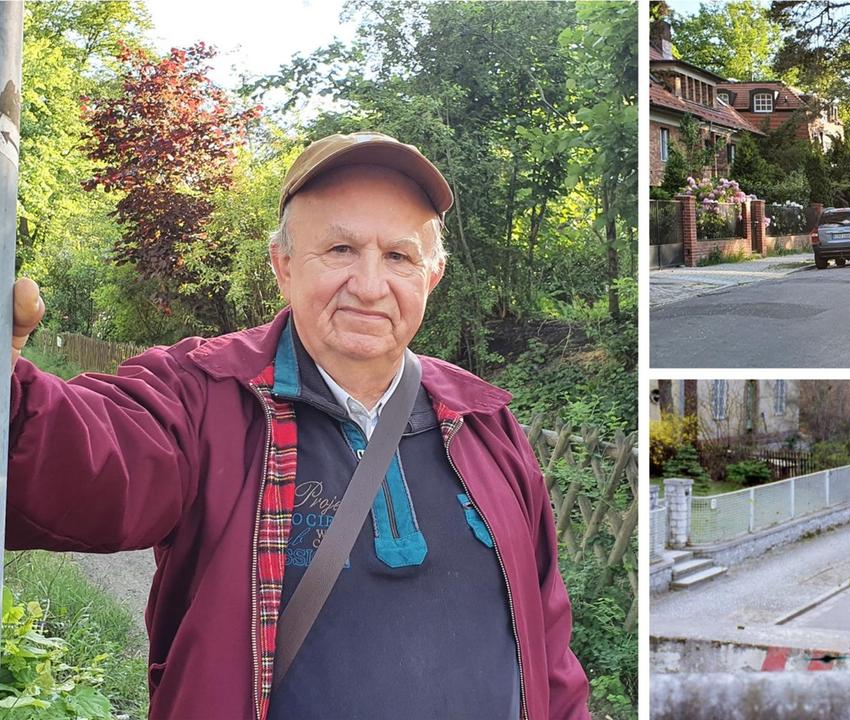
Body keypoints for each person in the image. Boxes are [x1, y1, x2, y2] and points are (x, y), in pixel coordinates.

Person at [6, 132, 590, 719]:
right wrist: (11, 396)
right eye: (339, 249)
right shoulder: (204, 396)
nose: (369, 284)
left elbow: (548, 640)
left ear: (431, 277)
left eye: (398, 256)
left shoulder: (483, 421)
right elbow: (78, 461)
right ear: (283, 266)